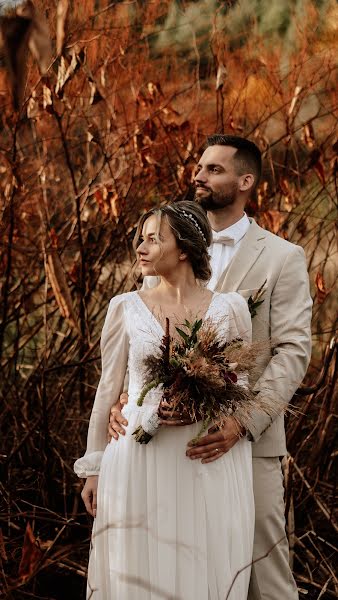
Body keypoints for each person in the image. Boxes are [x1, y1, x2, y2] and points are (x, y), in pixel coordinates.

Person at [108, 135, 313, 599]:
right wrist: (128, 399)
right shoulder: (162, 245)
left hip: (244, 443)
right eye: (199, 166)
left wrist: (242, 422)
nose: (198, 175)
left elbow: (293, 351)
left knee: (262, 569)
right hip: (158, 447)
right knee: (166, 567)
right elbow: (143, 333)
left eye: (214, 169)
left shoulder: (282, 258)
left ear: (246, 181)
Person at [75, 200, 256, 599]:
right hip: (139, 459)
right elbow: (108, 388)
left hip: (204, 460)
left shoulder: (231, 309)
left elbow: (241, 386)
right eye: (141, 239)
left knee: (202, 562)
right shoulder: (123, 308)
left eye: (153, 240)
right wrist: (94, 466)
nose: (141, 248)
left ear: (185, 249)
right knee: (140, 569)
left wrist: (216, 410)